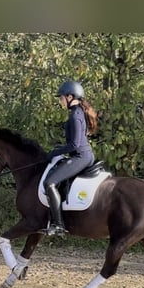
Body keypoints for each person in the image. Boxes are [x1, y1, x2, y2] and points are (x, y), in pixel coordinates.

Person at [42, 80, 99, 236]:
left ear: (70, 96)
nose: (60, 102)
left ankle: (59, 225)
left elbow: (74, 144)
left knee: (50, 183)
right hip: (82, 154)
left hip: (80, 156)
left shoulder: (75, 116)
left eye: (61, 98)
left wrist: (55, 152)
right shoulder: (79, 112)